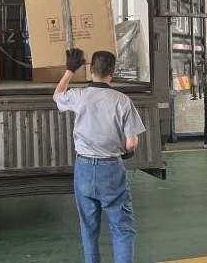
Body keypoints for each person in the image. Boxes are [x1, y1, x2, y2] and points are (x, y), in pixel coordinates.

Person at [53, 48, 145, 263]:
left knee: (89, 229)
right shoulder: (122, 101)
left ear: (90, 71)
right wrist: (127, 150)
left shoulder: (78, 96)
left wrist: (70, 70)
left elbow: (56, 96)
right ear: (112, 72)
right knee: (122, 229)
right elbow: (131, 142)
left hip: (84, 168)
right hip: (111, 168)